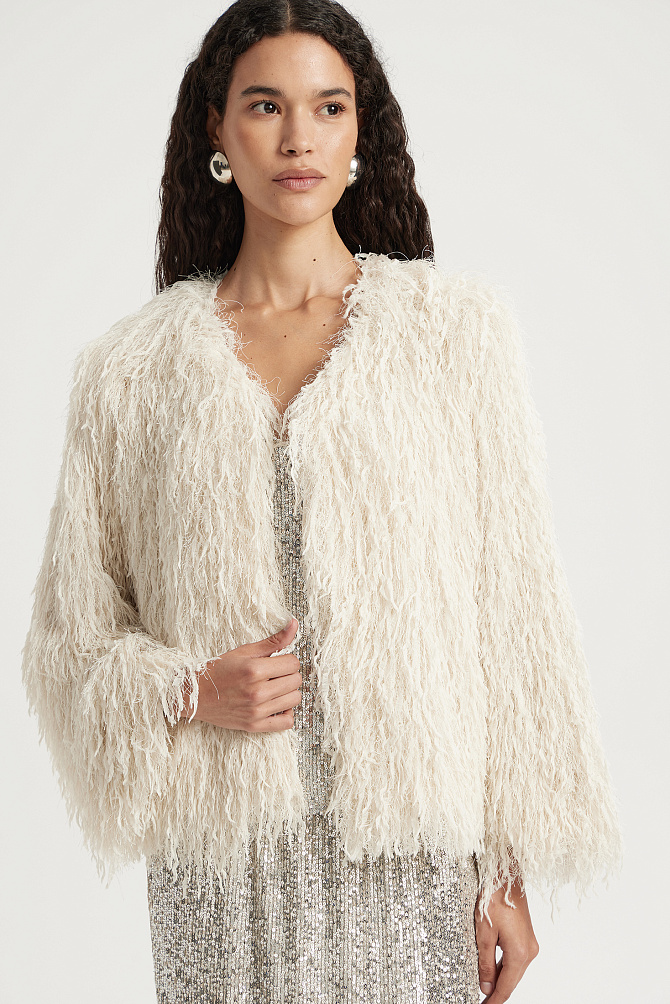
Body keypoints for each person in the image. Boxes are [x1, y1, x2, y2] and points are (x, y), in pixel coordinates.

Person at [20, 2, 623, 1002]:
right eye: (266, 106)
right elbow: (65, 642)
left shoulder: (451, 334)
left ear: (359, 132)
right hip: (224, 866)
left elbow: (515, 611)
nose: (298, 137)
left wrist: (505, 864)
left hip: (410, 856)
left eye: (328, 107)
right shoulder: (131, 372)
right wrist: (188, 689)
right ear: (217, 131)